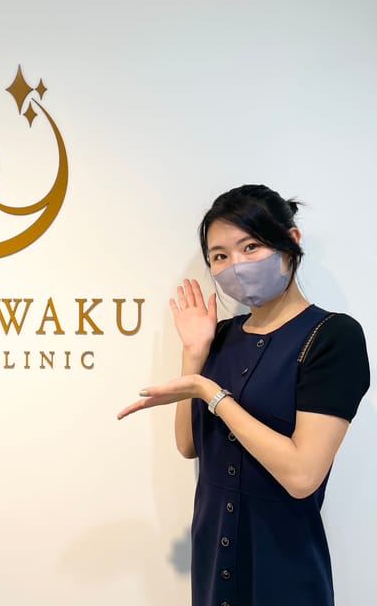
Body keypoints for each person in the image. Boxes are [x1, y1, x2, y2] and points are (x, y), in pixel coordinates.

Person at [117, 185, 370, 606]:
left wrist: (210, 393)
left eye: (250, 247)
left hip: (284, 569)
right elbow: (188, 445)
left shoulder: (332, 337)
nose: (235, 265)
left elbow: (302, 476)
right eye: (219, 256)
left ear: (290, 242)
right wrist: (193, 354)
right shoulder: (219, 338)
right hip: (213, 560)